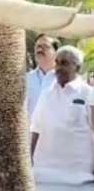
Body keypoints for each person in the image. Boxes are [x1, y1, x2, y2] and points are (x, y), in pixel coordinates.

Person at [30, 46, 94, 190]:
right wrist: (29, 160)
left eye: (64, 63)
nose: (58, 68)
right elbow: (36, 128)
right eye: (57, 62)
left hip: (80, 180)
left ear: (77, 67)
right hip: (42, 178)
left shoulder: (88, 94)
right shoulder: (46, 93)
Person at [26, 34, 60, 119]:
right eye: (37, 46)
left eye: (45, 46)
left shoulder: (66, 79)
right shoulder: (26, 79)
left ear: (56, 53)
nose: (40, 49)